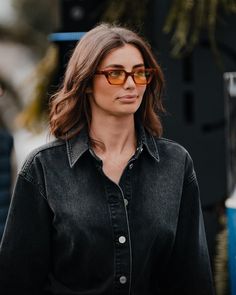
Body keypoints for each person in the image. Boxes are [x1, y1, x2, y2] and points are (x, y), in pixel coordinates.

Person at [0, 23, 214, 294]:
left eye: (139, 73)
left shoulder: (175, 164)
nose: (130, 84)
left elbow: (193, 278)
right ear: (87, 82)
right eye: (115, 73)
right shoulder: (43, 168)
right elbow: (16, 281)